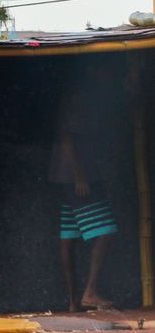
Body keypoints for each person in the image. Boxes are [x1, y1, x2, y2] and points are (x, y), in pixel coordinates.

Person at [49, 79, 118, 311]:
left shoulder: (71, 98)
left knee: (69, 236)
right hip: (74, 178)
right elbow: (68, 139)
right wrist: (79, 175)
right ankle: (90, 292)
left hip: (61, 177)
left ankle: (72, 301)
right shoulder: (81, 99)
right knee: (106, 231)